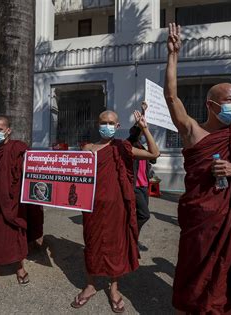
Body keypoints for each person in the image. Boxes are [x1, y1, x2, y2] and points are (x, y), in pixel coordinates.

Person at [164, 24, 231, 314]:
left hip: (229, 220)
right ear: (212, 105)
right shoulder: (194, 132)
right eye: (229, 100)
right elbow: (172, 99)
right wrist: (172, 56)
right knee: (193, 272)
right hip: (200, 220)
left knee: (224, 277)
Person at [71, 109, 159, 313]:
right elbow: (74, 177)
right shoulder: (88, 149)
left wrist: (144, 129)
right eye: (104, 122)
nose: (107, 126)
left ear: (117, 126)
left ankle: (114, 288)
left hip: (117, 207)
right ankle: (91, 285)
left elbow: (154, 153)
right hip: (92, 207)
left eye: (111, 123)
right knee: (92, 245)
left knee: (115, 247)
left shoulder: (123, 147)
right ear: (97, 124)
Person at [0, 115, 44, 287]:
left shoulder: (18, 147)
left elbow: (29, 170)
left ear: (8, 130)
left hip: (13, 198)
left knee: (15, 230)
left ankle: (19, 267)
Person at [126, 101, 156, 251]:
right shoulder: (130, 145)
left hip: (144, 186)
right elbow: (137, 131)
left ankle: (133, 240)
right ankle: (130, 240)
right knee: (144, 215)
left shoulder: (144, 147)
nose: (144, 134)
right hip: (135, 187)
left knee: (139, 215)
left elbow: (154, 157)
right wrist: (143, 114)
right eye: (143, 132)